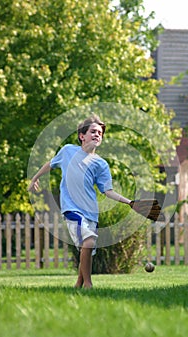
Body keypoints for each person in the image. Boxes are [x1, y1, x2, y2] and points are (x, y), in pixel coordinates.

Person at [28, 114, 131, 288]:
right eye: (93, 131)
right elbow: (51, 163)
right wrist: (35, 178)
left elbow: (108, 191)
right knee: (89, 240)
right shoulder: (68, 150)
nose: (97, 134)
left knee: (87, 249)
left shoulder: (101, 164)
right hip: (71, 209)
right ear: (82, 136)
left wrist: (128, 202)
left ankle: (79, 283)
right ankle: (89, 284)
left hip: (91, 211)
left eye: (100, 133)